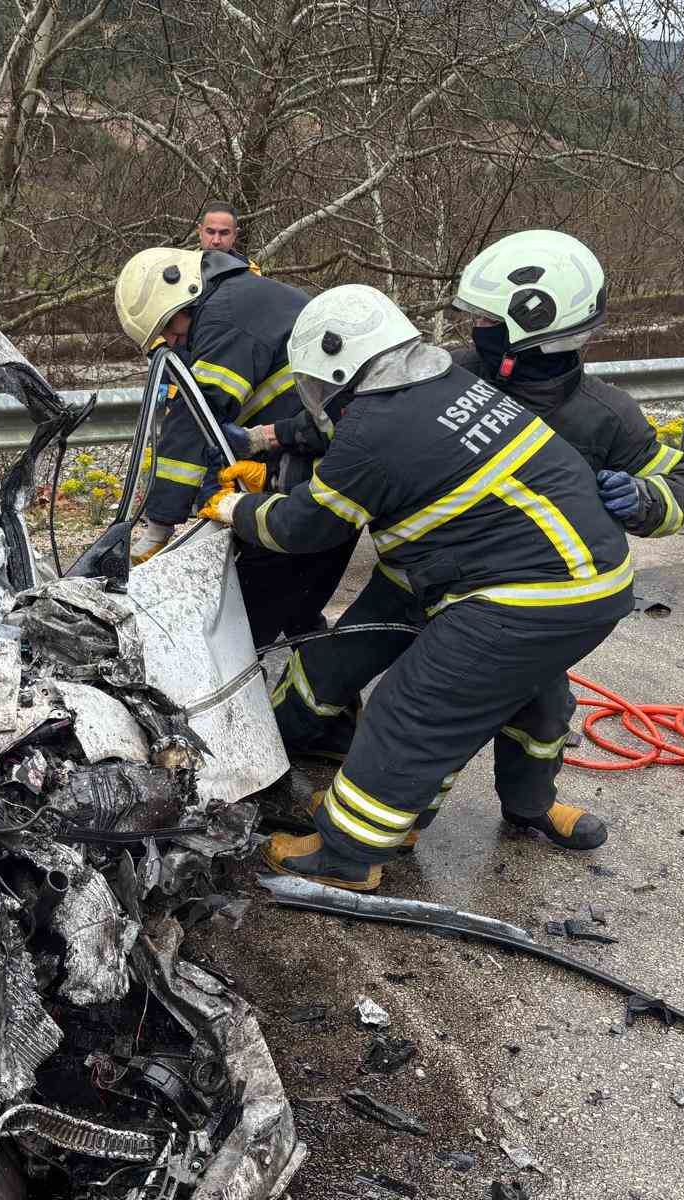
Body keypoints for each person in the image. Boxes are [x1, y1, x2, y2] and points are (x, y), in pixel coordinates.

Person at [270, 230, 684, 850]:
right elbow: (360, 417)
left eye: (486, 321)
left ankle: (508, 809)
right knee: (330, 664)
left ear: (533, 327)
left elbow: (678, 480)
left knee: (529, 708)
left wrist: (645, 500)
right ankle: (281, 757)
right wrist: (272, 438)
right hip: (415, 572)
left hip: (514, 592)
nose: (474, 331)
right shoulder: (451, 371)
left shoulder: (602, 416)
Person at [200, 284, 634, 891]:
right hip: (590, 585)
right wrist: (268, 441)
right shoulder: (445, 384)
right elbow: (347, 432)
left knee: (414, 709)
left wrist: (235, 508)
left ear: (339, 371)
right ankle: (483, 808)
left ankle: (347, 855)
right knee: (528, 697)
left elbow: (303, 527)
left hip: (520, 596)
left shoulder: (376, 430)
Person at [113, 247, 346, 646]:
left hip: (321, 482)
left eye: (168, 327)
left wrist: (158, 526)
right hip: (322, 465)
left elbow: (194, 417)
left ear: (184, 293)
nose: (170, 339)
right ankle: (328, 699)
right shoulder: (241, 298)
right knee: (298, 615)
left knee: (239, 636)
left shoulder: (224, 318)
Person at [195, 201, 260, 274]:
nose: (216, 241)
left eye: (224, 233)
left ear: (235, 235)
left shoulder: (249, 270)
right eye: (210, 232)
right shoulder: (183, 265)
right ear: (200, 231)